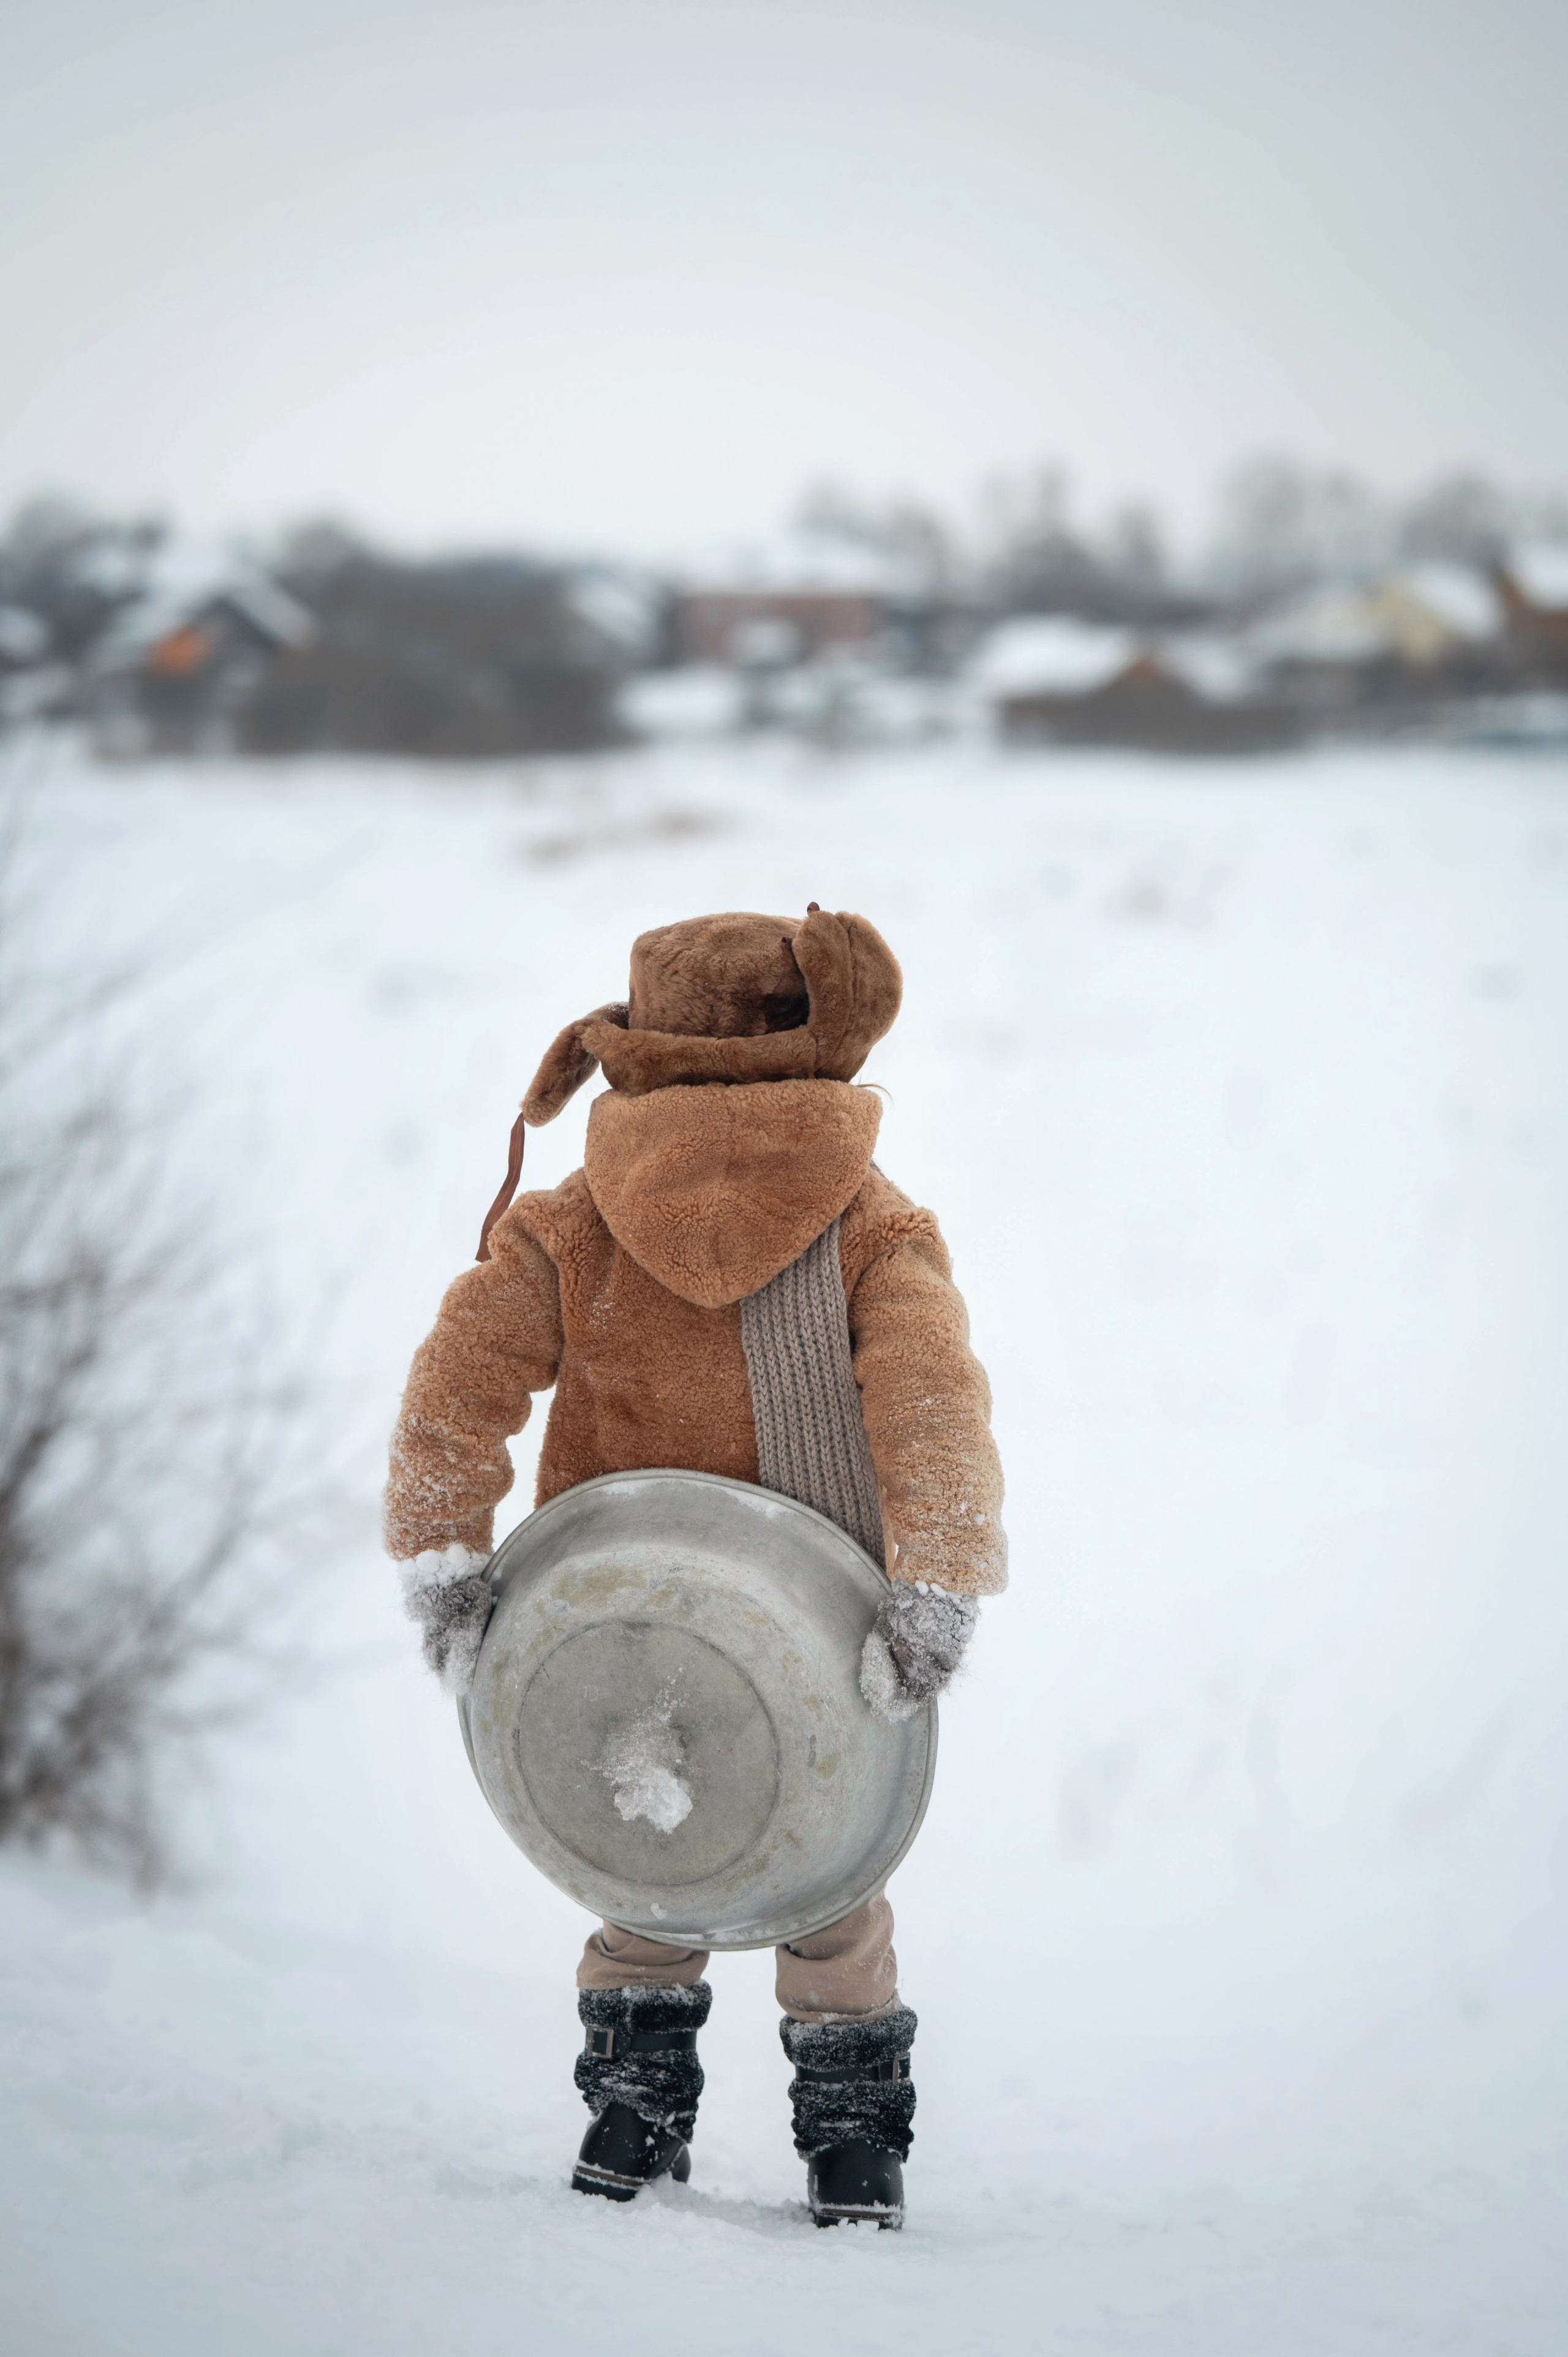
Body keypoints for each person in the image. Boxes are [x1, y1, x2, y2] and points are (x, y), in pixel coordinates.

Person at [385, 905, 1005, 2227]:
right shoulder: (869, 1226)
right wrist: (936, 1577)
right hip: (820, 1626)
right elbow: (930, 1406)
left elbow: (458, 1382)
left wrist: (445, 1551)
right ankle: (850, 2145)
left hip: (601, 1614)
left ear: (637, 1046)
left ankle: (632, 2112)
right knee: (831, 1890)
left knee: (634, 1865)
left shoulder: (572, 1223)